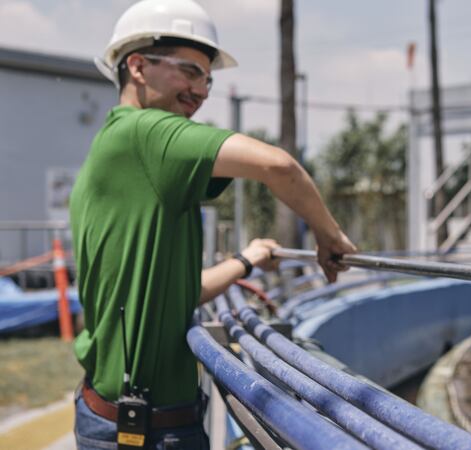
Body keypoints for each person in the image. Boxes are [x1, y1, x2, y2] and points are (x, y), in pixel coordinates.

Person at [69, 0, 356, 448]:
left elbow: (179, 292)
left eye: (207, 78)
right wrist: (329, 235)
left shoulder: (116, 147)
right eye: (188, 71)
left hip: (114, 416)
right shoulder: (145, 133)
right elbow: (280, 166)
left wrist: (245, 260)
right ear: (138, 66)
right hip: (146, 431)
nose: (201, 91)